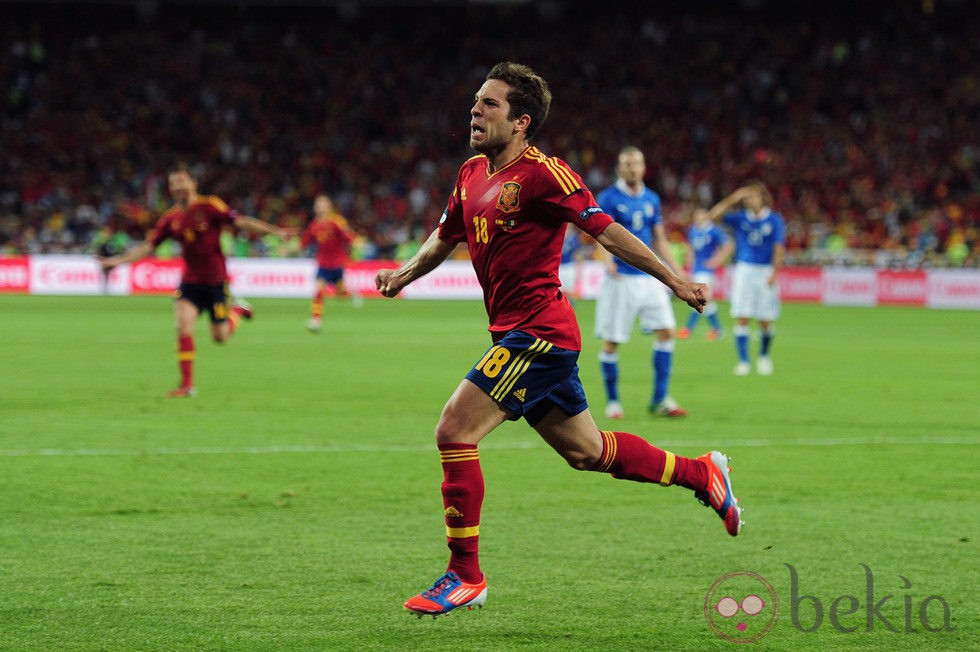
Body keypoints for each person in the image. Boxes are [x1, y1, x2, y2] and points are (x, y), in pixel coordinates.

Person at [375, 62, 744, 619]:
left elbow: (606, 229)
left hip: (540, 335)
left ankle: (464, 574)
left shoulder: (546, 174)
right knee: (588, 452)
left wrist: (673, 279)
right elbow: (445, 235)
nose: (475, 110)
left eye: (490, 104)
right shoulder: (471, 172)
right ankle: (702, 472)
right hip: (521, 334)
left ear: (521, 121)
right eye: (476, 100)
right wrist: (403, 275)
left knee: (454, 429)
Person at [98, 165, 294, 397]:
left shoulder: (209, 206)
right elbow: (149, 246)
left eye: (181, 181)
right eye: (173, 183)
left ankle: (238, 310)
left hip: (216, 282)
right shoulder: (171, 219)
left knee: (219, 337)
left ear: (193, 183)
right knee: (183, 325)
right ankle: (187, 385)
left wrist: (274, 231)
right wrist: (118, 261)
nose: (177, 186)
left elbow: (240, 221)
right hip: (190, 282)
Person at [594, 146, 687, 420]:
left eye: (637, 163)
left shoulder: (651, 198)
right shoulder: (609, 197)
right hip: (621, 279)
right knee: (612, 342)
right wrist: (606, 260)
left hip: (649, 278)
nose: (633, 168)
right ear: (619, 168)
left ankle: (660, 399)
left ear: (644, 167)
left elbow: (659, 237)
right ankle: (613, 402)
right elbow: (599, 231)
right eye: (627, 164)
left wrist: (677, 272)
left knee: (667, 332)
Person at [706, 182, 785, 376]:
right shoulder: (740, 218)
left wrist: (775, 271)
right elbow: (711, 217)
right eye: (747, 197)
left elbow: (779, 247)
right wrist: (733, 198)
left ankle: (764, 356)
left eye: (752, 196)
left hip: (765, 270)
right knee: (742, 316)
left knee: (765, 319)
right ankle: (743, 361)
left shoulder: (774, 220)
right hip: (744, 270)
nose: (748, 200)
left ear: (762, 198)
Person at [300, 193, 361, 333]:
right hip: (322, 263)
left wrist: (356, 242)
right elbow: (305, 240)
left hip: (338, 263)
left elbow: (347, 235)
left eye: (323, 204)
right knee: (319, 290)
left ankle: (350, 293)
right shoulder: (314, 225)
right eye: (318, 205)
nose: (320, 207)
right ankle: (316, 320)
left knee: (340, 294)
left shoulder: (336, 221)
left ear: (329, 206)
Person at [678, 207, 733, 341]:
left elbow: (729, 244)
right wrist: (689, 266)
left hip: (707, 271)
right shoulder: (692, 230)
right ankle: (717, 329)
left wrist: (717, 260)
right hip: (696, 269)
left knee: (699, 298)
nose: (698, 219)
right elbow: (689, 248)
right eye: (697, 216)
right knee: (707, 301)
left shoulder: (714, 231)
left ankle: (687, 329)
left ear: (706, 217)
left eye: (701, 216)